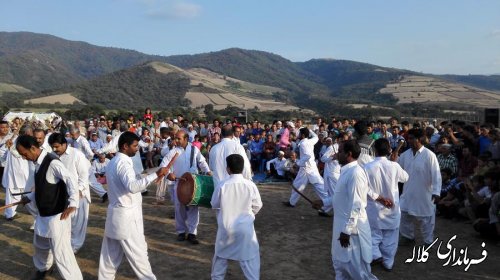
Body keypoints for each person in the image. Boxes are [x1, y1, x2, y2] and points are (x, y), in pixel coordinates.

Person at [98, 132, 169, 279]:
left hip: (116, 214)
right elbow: (132, 186)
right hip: (126, 217)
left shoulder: (114, 161)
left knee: (110, 256)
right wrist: (156, 174)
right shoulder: (122, 163)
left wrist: (153, 173)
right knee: (139, 255)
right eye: (135, 146)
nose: (137, 149)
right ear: (125, 146)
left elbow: (131, 182)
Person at [16, 135, 83, 280]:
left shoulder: (52, 162)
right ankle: (43, 268)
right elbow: (43, 188)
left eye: (24, 154)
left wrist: (73, 203)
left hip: (56, 217)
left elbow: (71, 180)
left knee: (62, 254)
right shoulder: (37, 163)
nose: (24, 157)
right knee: (40, 246)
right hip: (43, 215)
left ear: (33, 148)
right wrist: (29, 198)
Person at [312, 140, 378, 280]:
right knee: (341, 269)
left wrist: (347, 231)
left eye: (340, 151)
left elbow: (357, 205)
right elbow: (339, 197)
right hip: (342, 228)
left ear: (348, 154)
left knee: (359, 274)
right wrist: (323, 202)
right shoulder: (346, 170)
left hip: (353, 232)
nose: (337, 154)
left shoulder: (355, 173)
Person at [210, 154, 263, 280]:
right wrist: (249, 215)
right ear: (243, 167)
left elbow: (214, 204)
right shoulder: (250, 185)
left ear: (228, 169)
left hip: (226, 228)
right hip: (245, 229)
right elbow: (258, 206)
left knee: (220, 260)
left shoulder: (222, 185)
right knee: (250, 261)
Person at [364, 139, 409, 271]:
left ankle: (376, 255)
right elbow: (405, 178)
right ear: (389, 150)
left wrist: (378, 198)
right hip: (392, 209)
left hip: (374, 209)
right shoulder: (394, 166)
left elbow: (364, 188)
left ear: (374, 151)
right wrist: (395, 164)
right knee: (391, 238)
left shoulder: (367, 167)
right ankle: (387, 263)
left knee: (373, 236)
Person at [160, 130, 211, 244]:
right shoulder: (173, 152)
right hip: (179, 183)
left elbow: (202, 162)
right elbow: (163, 165)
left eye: (179, 138)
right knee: (179, 208)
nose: (176, 141)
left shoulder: (194, 149)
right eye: (175, 138)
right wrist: (168, 175)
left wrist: (208, 172)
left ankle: (192, 233)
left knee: (193, 208)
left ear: (186, 139)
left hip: (194, 183)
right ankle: (181, 232)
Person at [397, 128, 441, 246]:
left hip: (424, 193)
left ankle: (428, 242)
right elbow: (398, 171)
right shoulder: (405, 155)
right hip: (408, 192)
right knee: (404, 214)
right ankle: (408, 237)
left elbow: (436, 175)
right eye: (408, 138)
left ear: (420, 139)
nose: (409, 141)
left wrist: (436, 192)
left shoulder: (429, 155)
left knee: (426, 219)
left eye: (412, 138)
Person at [49, 133, 92, 254]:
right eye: (53, 147)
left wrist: (78, 191)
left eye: (57, 146)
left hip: (79, 195)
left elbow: (84, 175)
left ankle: (75, 246)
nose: (55, 149)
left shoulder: (76, 154)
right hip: (62, 195)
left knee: (78, 223)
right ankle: (67, 244)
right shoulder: (52, 156)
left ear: (64, 144)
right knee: (65, 222)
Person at [283, 128, 328, 212]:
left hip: (307, 168)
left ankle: (329, 202)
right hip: (308, 167)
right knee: (298, 185)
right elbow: (316, 137)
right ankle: (292, 202)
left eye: (299, 133)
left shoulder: (304, 144)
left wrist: (298, 163)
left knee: (318, 186)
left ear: (302, 135)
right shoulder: (310, 141)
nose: (297, 135)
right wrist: (309, 130)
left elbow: (307, 156)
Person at [320, 137, 340, 215]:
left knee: (333, 195)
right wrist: (333, 157)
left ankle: (323, 210)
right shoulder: (332, 148)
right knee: (335, 195)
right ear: (339, 139)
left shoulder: (344, 148)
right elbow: (323, 158)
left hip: (337, 173)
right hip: (331, 174)